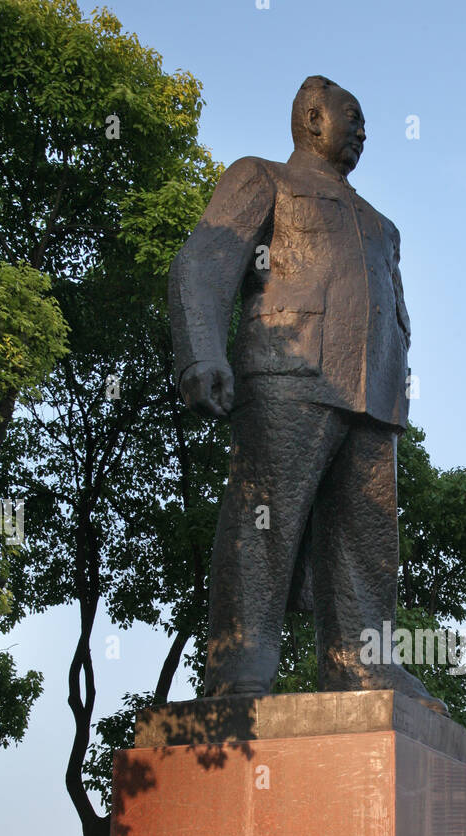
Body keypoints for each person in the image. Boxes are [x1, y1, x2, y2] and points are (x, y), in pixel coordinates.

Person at [169, 76, 444, 713]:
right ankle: (239, 667)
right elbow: (205, 259)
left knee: (368, 538)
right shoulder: (262, 178)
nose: (363, 129)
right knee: (265, 520)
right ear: (313, 118)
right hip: (289, 372)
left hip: (372, 396)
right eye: (353, 115)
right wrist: (203, 349)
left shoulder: (381, 225)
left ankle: (363, 665)